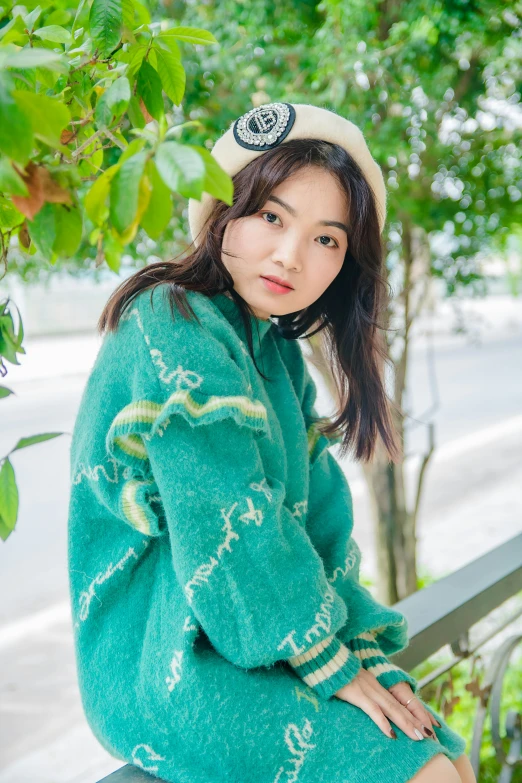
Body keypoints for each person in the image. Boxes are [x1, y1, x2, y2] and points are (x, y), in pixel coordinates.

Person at [68, 102, 475, 783]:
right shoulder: (169, 322)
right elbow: (231, 519)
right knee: (426, 772)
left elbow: (319, 521)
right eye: (272, 216)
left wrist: (364, 651)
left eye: (326, 240)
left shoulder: (275, 353)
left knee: (448, 756)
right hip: (164, 657)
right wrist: (326, 658)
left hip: (248, 637)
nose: (291, 254)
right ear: (225, 211)